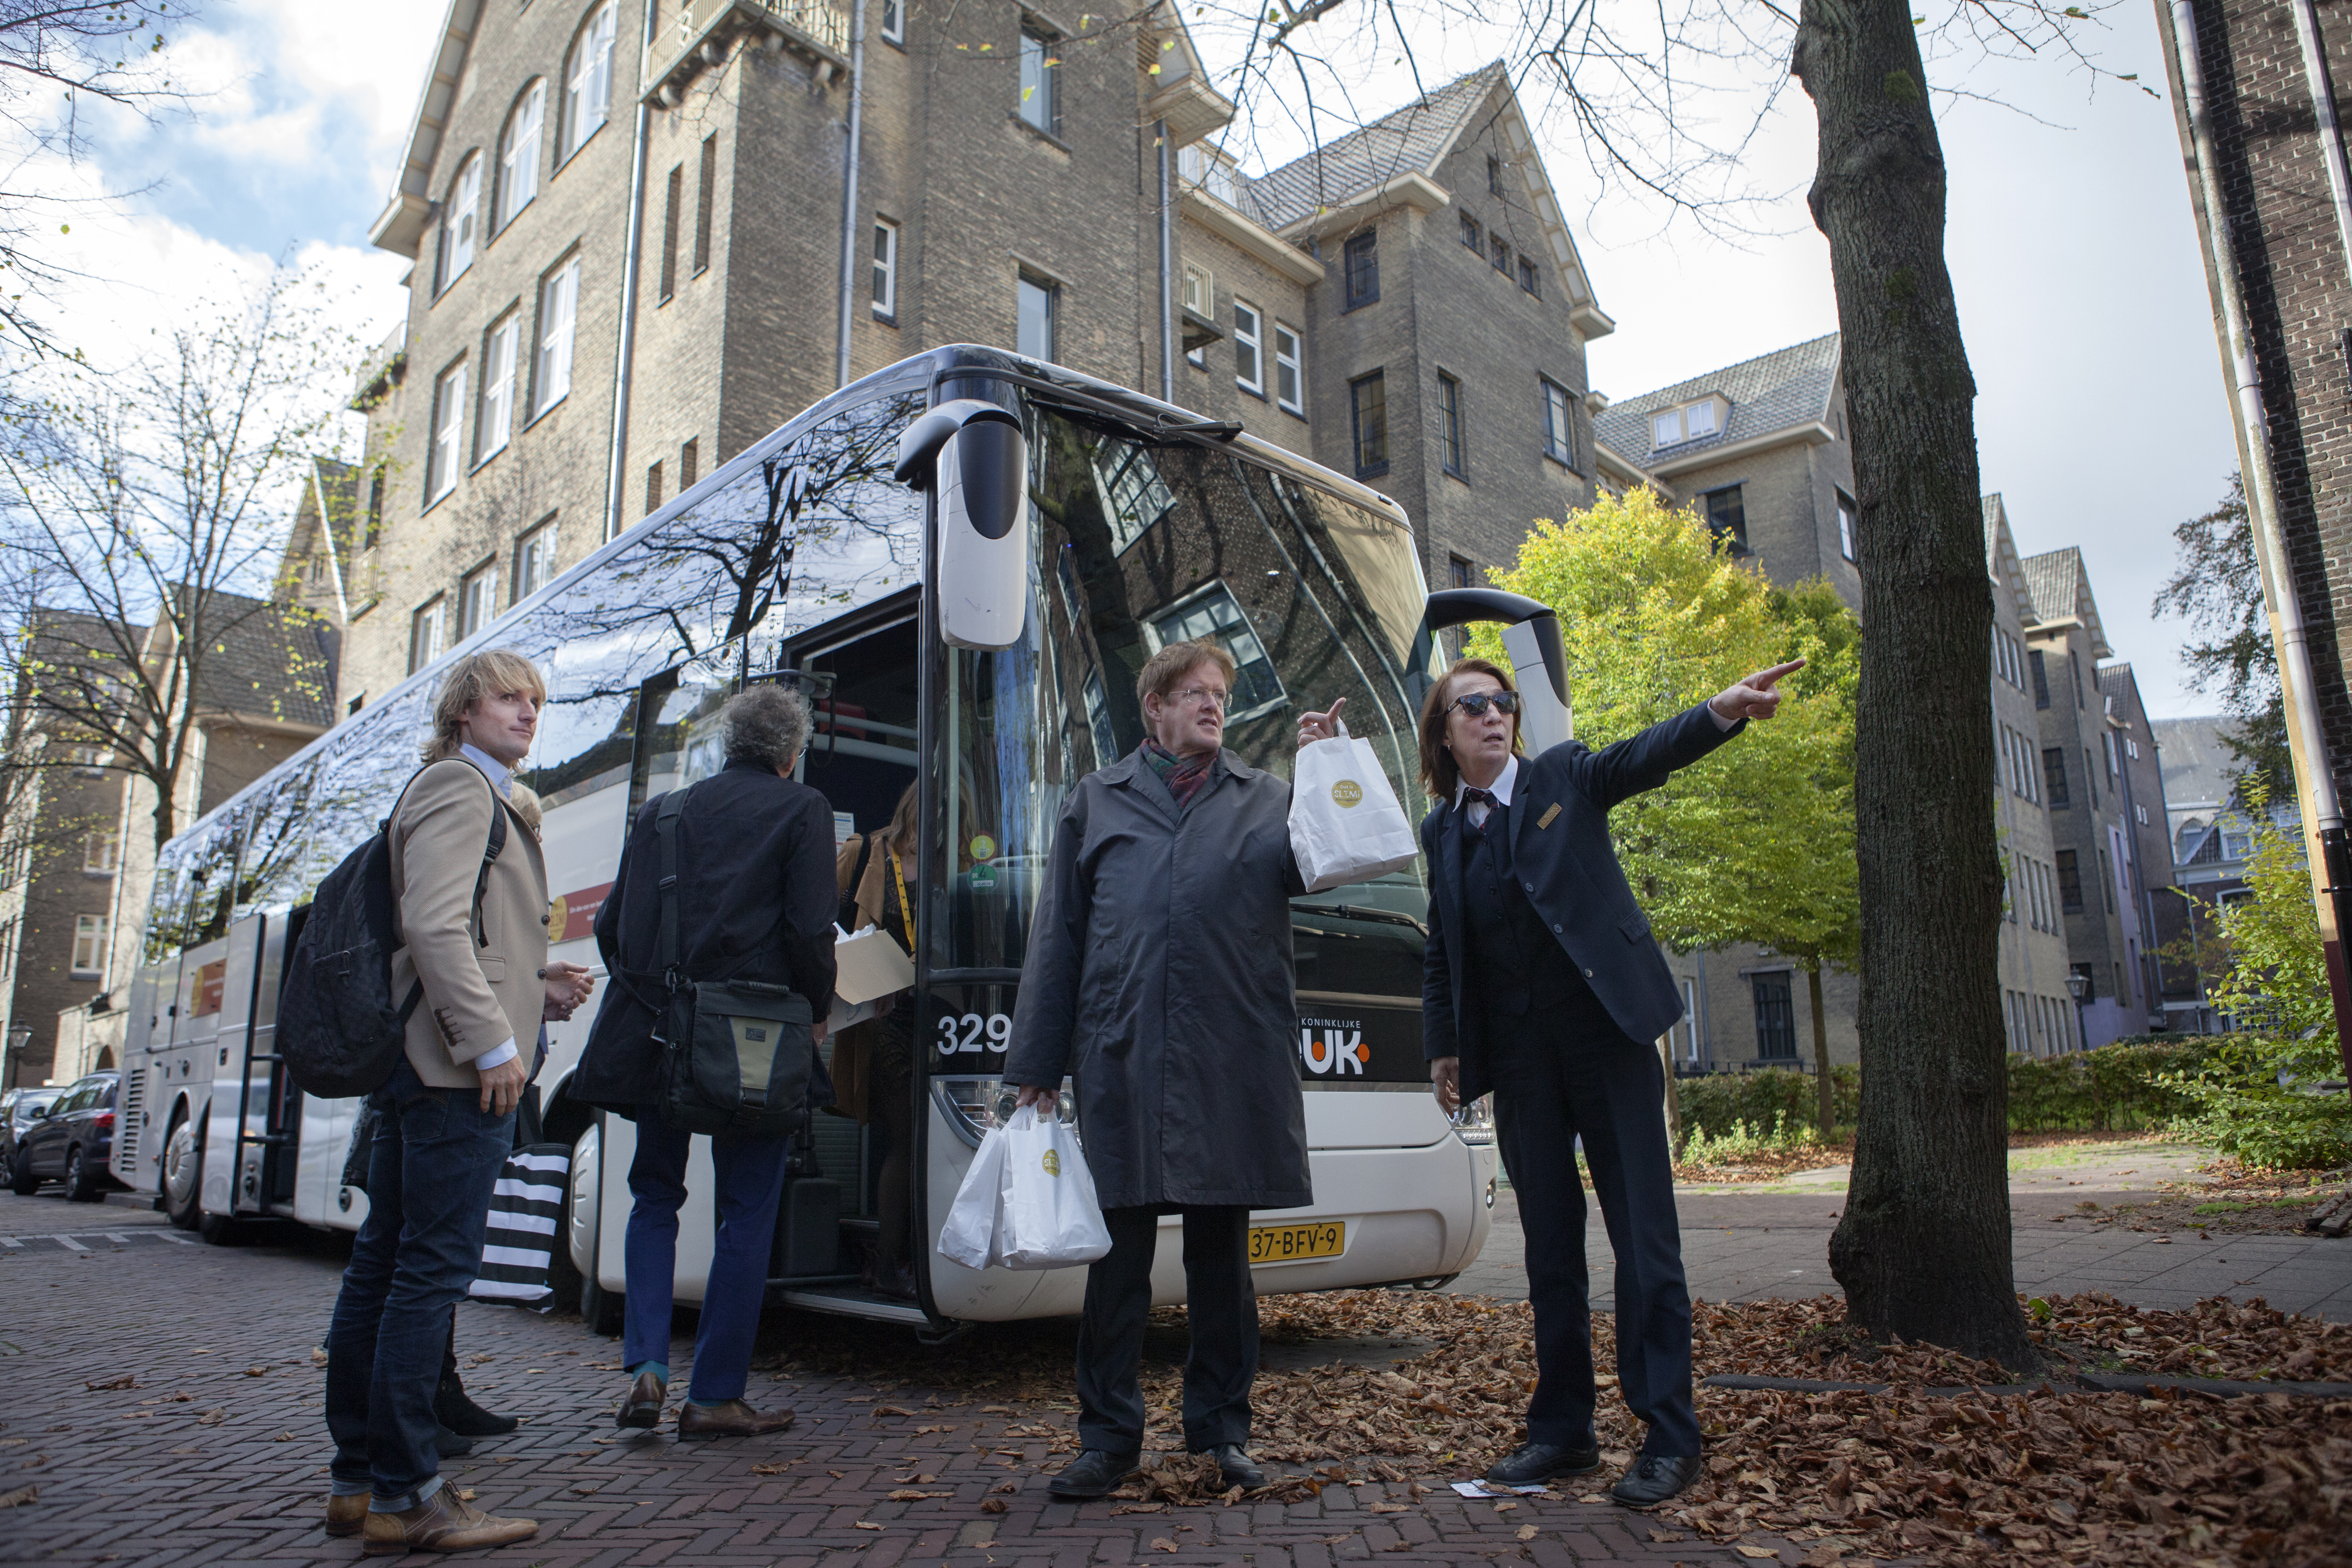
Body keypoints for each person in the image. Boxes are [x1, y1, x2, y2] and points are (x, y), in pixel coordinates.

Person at [1332, 655, 1797, 1509]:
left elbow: (1640, 758)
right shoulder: (1443, 831)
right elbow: (1443, 950)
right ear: (1444, 731)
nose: (1493, 715)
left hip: (1607, 1043)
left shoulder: (1561, 778)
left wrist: (1719, 712)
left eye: (1502, 702)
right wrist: (1446, 1048)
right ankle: (1563, 1432)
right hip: (1519, 1064)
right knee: (1550, 1251)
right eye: (1471, 705)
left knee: (1645, 1245)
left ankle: (1669, 1435)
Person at [1005, 639, 1335, 1501]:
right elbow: (1059, 939)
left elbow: (1338, 861)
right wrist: (1038, 1061)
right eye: (1193, 692)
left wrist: (1329, 763)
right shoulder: (1095, 802)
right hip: (1124, 1056)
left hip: (1229, 1057)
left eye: (1220, 694)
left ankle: (1220, 1435)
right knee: (1114, 1264)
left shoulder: (1267, 799)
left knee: (1221, 1265)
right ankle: (1108, 1440)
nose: (1212, 704)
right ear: (1152, 707)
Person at [323, 650, 596, 1554]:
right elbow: (433, 926)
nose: (527, 714)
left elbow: (463, 933)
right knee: (424, 1276)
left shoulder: (468, 789)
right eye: (509, 698)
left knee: (386, 1265)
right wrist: (495, 1042)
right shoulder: (458, 788)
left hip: (429, 1066)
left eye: (535, 702)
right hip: (452, 1072)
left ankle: (361, 1480)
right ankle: (410, 1495)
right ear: (465, 708)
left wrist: (535, 982)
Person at [571, 683, 838, 1440]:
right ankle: (716, 1392)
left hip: (657, 1034)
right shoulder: (803, 809)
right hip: (752, 1041)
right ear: (791, 754)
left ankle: (647, 1365)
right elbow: (809, 929)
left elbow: (617, 927)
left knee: (653, 1194)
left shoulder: (663, 812)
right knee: (746, 1212)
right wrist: (815, 1007)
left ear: (727, 746)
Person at [847, 782, 920, 1299]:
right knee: (909, 1136)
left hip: (937, 1017)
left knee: (927, 1140)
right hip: (886, 1019)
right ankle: (890, 1260)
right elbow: (826, 926)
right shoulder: (869, 854)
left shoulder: (958, 858)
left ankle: (911, 1258)